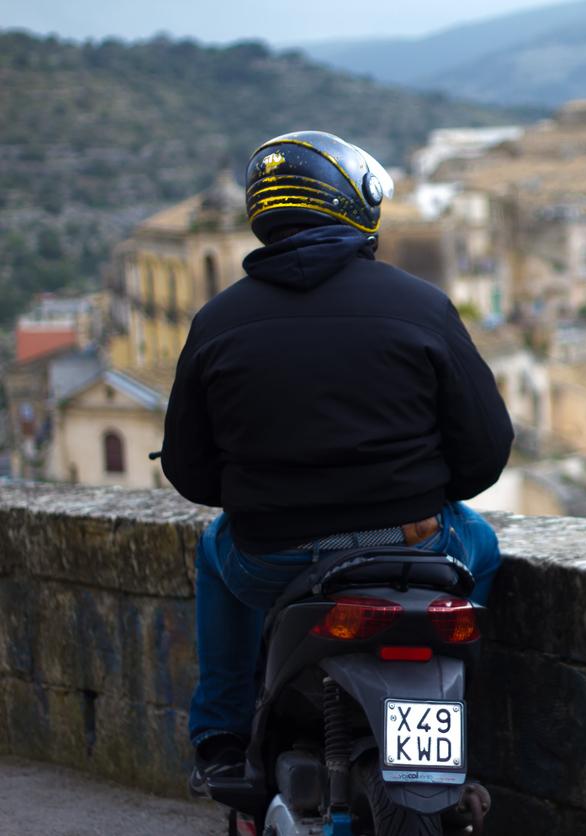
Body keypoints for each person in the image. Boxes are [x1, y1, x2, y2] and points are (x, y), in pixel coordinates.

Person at [160, 131, 514, 796]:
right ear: (357, 206)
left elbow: (188, 472)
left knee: (215, 547)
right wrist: (423, 497)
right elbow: (486, 453)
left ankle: (220, 739)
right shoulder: (423, 306)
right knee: (484, 546)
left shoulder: (216, 322)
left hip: (272, 561)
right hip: (413, 545)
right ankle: (453, 722)